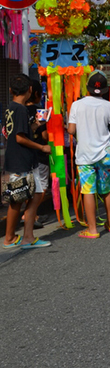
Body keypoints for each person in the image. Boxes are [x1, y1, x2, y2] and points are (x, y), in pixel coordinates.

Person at [2, 74, 51, 249]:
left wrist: (36, 126)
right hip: (21, 160)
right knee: (20, 199)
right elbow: (20, 138)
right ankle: (15, 238)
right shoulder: (21, 110)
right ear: (30, 90)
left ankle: (23, 237)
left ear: (10, 90)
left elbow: (17, 132)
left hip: (18, 159)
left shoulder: (11, 107)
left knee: (28, 196)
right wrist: (42, 148)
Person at [68, 72, 110, 238]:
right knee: (106, 188)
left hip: (85, 153)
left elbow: (71, 130)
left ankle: (93, 230)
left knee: (88, 190)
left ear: (88, 88)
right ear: (104, 90)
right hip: (106, 151)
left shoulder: (77, 105)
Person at [23, 79, 50, 228]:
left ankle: (33, 214)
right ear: (38, 94)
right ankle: (29, 214)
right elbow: (44, 135)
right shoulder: (39, 111)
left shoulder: (19, 110)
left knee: (29, 186)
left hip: (24, 154)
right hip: (39, 152)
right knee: (41, 186)